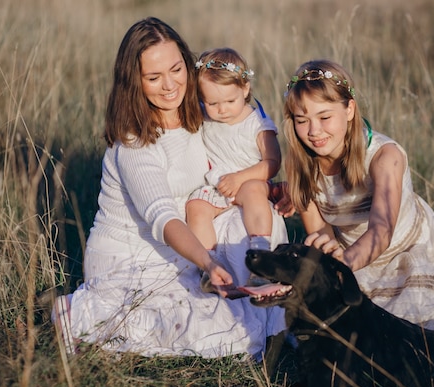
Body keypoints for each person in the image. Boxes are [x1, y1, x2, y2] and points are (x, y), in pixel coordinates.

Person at [51, 17, 288, 358]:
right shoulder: (133, 141)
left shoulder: (198, 112)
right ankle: (80, 313)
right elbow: (163, 218)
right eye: (153, 77)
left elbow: (227, 163)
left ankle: (268, 308)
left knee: (266, 221)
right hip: (137, 256)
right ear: (134, 82)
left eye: (176, 69)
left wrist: (268, 187)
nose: (169, 85)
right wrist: (208, 263)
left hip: (189, 240)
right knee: (226, 333)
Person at [281, 59, 434, 331]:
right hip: (351, 255)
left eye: (324, 117)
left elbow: (381, 231)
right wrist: (331, 264)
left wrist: (342, 270)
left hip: (402, 251)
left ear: (349, 109)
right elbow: (323, 234)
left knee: (413, 334)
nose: (314, 131)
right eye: (302, 120)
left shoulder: (384, 156)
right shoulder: (300, 163)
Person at [186, 48, 281, 291]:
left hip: (251, 180)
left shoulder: (257, 124)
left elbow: (272, 162)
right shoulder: (206, 117)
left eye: (230, 101)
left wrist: (241, 177)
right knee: (196, 207)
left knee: (251, 191)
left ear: (245, 89)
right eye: (212, 103)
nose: (222, 109)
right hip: (219, 185)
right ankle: (210, 265)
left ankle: (261, 255)